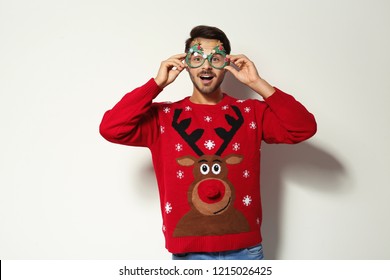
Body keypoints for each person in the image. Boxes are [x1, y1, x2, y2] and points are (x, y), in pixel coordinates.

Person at [99, 25, 317, 260]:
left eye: (215, 58)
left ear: (227, 64)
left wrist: (257, 83)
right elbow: (112, 128)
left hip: (245, 251)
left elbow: (303, 128)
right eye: (196, 58)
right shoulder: (163, 117)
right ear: (186, 65)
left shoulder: (251, 112)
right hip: (188, 253)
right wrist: (157, 84)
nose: (205, 66)